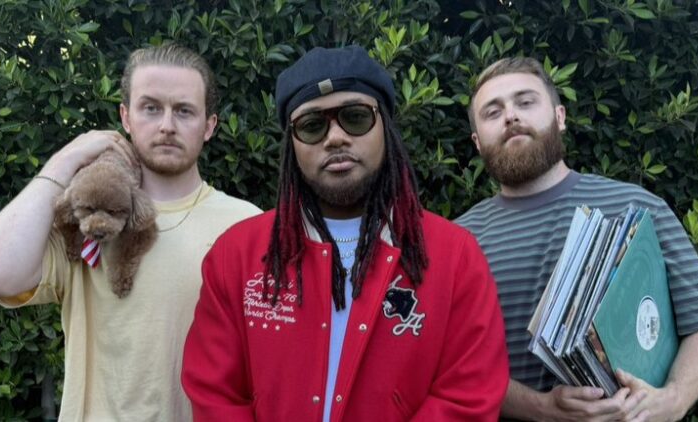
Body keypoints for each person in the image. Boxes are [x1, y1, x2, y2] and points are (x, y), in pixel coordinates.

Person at [181, 45, 508, 422]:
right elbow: (216, 394)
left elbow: (468, 394)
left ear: (385, 126)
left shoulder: (455, 255)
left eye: (355, 117)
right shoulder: (236, 254)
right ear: (292, 144)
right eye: (312, 125)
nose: (335, 138)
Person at [0, 44, 261, 421]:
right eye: (151, 108)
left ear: (209, 126)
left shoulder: (247, 226)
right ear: (126, 116)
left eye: (184, 111)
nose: (167, 125)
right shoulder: (85, 222)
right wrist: (64, 161)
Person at [454, 56, 698, 422]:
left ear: (560, 117)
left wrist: (673, 399)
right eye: (492, 112)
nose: (511, 116)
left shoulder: (637, 208)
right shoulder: (457, 241)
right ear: (477, 142)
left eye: (525, 102)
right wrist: (542, 408)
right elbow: (448, 366)